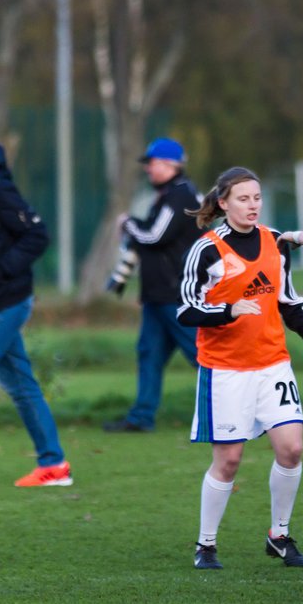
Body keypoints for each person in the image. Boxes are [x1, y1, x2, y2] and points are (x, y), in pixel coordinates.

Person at [178, 167, 303, 571]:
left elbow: (286, 298)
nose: (252, 205)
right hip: (225, 370)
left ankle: (279, 535)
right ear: (223, 203)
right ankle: (206, 544)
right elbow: (185, 310)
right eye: (243, 199)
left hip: (272, 363)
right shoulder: (207, 249)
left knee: (292, 449)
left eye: (257, 197)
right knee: (229, 461)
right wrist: (227, 310)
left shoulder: (274, 242)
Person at [103, 138, 203, 433]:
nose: (148, 169)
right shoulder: (167, 195)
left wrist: (127, 222)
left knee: (204, 357)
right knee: (149, 353)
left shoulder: (180, 195)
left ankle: (244, 413)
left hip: (177, 296)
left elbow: (153, 236)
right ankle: (141, 417)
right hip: (157, 297)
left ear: (171, 165)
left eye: (152, 163)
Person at [0, 145, 72, 488]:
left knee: (22, 387)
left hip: (9, 301)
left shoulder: (2, 189)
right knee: (22, 386)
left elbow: (37, 235)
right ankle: (53, 465)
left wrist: (3, 269)